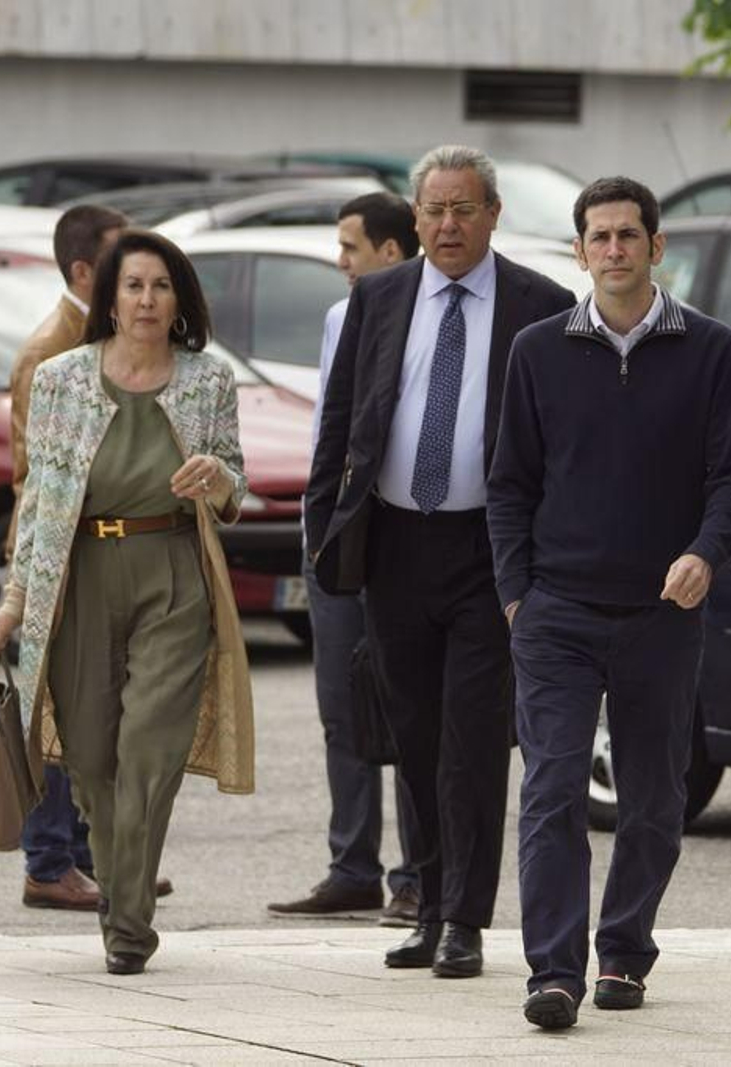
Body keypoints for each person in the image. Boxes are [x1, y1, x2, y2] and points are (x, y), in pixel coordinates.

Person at [487, 177, 731, 1029]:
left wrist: (703, 554)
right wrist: (515, 595)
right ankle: (554, 971)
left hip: (662, 615)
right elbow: (508, 486)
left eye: (627, 236)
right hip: (556, 612)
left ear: (655, 246)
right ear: (578, 251)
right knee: (553, 789)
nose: (613, 250)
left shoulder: (711, 350)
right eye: (598, 237)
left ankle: (625, 949)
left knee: (652, 798)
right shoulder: (536, 351)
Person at [304, 145, 575, 978]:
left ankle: (465, 918)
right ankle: (423, 901)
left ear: (493, 215)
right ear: (414, 220)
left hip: (488, 552)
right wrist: (325, 535)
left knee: (473, 739)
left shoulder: (541, 305)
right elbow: (343, 423)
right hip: (394, 543)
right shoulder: (377, 298)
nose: (448, 225)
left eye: (464, 209)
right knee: (412, 734)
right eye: (434, 210)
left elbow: (560, 446)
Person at [0, 228, 254, 976]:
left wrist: (217, 480)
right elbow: (38, 501)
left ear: (179, 299)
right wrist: (14, 601)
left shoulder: (207, 381)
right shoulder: (63, 378)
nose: (146, 299)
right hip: (80, 574)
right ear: (110, 295)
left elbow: (235, 479)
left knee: (150, 751)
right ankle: (121, 889)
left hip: (172, 572)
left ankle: (127, 921)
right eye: (133, 285)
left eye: (160, 286)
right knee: (93, 754)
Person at [5, 204, 171, 913]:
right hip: (60, 550)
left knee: (94, 707)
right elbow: (33, 472)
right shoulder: (52, 350)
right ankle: (49, 860)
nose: (136, 284)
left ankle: (87, 851)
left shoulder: (100, 338)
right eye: (119, 265)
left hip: (105, 547)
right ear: (83, 270)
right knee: (53, 708)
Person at [268, 193, 424, 925]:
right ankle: (351, 866)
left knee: (413, 709)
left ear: (391, 253)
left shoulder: (431, 313)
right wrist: (318, 528)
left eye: (349, 249)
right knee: (342, 706)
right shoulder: (341, 319)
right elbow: (331, 429)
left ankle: (417, 877)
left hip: (410, 540)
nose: (340, 263)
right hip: (337, 533)